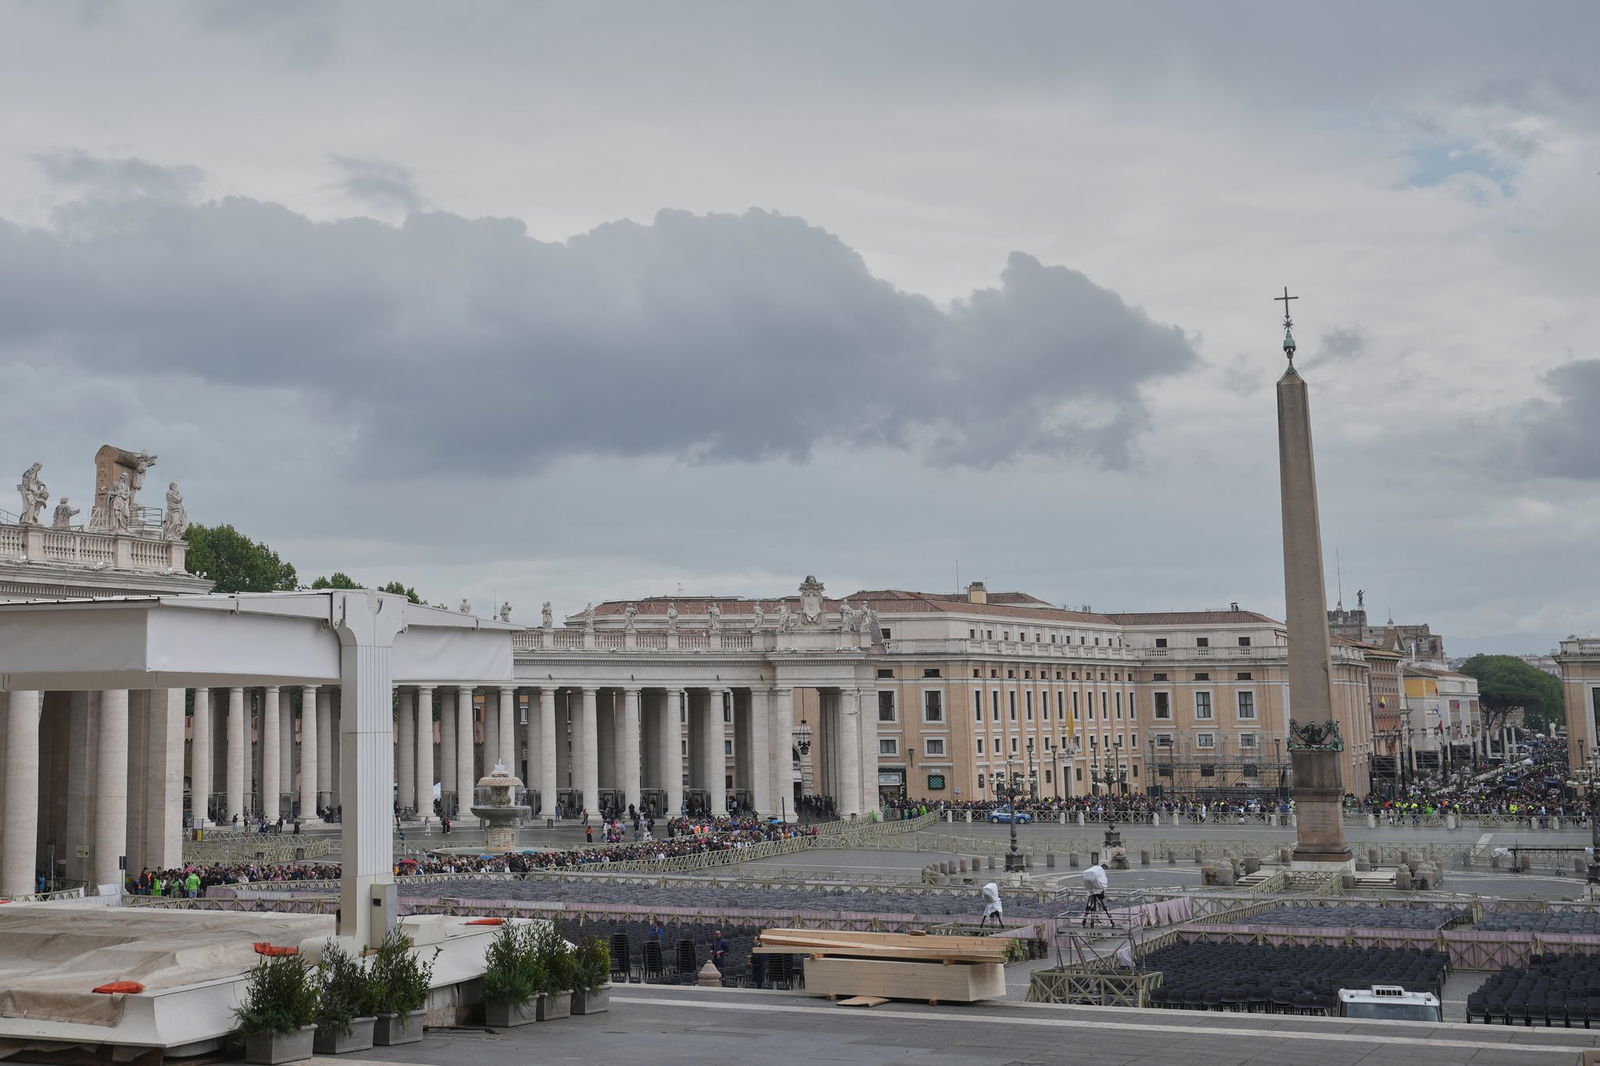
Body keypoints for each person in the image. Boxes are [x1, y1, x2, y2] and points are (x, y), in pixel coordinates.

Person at [1082, 859, 1111, 927]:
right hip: (1095, 889)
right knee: (1099, 906)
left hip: (1092, 889)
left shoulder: (1090, 873)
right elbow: (1103, 881)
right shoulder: (1098, 871)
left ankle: (1086, 921)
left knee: (1090, 906)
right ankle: (1110, 921)